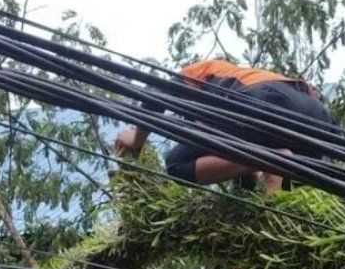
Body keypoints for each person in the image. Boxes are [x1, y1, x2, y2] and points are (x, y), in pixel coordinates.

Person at [114, 58, 332, 195]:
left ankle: (275, 158)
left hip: (261, 102)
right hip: (318, 122)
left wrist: (137, 141)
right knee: (249, 165)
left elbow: (156, 93)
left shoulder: (200, 71)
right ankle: (275, 167)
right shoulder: (247, 75)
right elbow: (236, 163)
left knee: (176, 164)